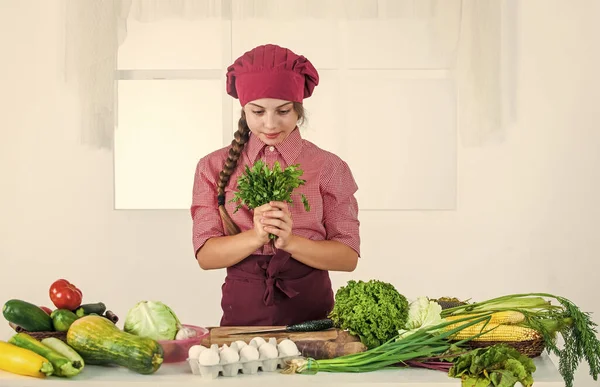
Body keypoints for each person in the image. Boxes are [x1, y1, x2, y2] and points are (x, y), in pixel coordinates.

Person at [190, 44, 360, 327]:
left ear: (298, 110)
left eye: (283, 111)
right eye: (258, 112)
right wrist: (256, 237)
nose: (270, 124)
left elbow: (347, 258)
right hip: (242, 313)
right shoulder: (212, 167)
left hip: (313, 314)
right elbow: (206, 257)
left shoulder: (329, 167)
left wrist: (290, 242)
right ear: (244, 110)